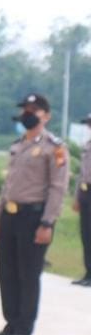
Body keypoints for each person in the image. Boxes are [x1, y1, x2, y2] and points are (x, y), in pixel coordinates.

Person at [0, 93, 70, 335]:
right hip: (10, 215)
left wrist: (48, 223)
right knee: (7, 272)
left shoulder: (55, 147)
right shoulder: (18, 144)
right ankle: (11, 323)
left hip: (33, 217)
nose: (28, 113)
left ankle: (24, 331)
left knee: (27, 275)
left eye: (34, 109)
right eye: (25, 109)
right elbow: (9, 185)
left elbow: (57, 188)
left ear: (46, 115)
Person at [74, 113, 91, 287]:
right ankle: (88, 271)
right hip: (86, 192)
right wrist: (77, 197)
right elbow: (81, 174)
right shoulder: (87, 145)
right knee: (86, 234)